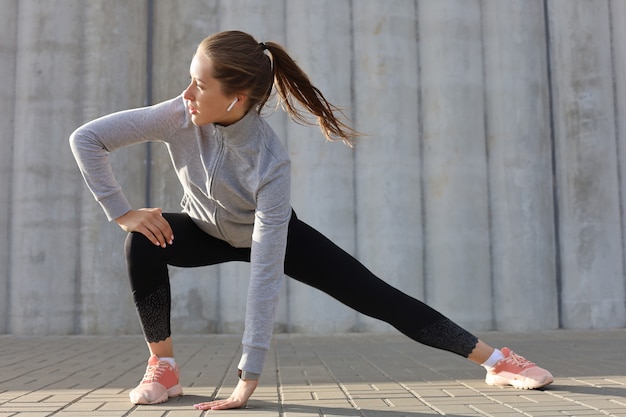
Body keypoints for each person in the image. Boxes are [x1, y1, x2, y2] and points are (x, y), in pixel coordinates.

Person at [69, 30, 553, 411]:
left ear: (236, 99)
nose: (186, 92)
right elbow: (87, 139)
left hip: (271, 236)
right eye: (190, 79)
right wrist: (122, 211)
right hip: (204, 230)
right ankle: (164, 366)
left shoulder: (270, 162)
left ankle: (497, 360)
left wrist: (248, 378)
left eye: (199, 84)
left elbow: (264, 274)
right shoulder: (178, 114)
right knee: (141, 241)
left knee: (376, 296)